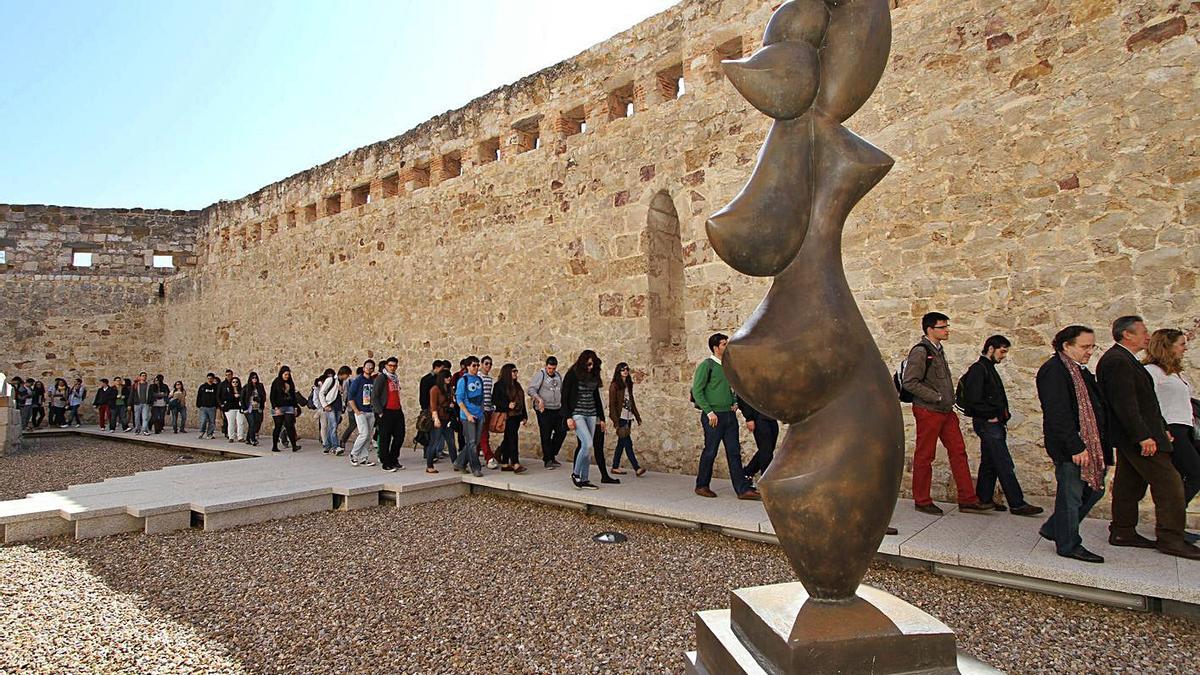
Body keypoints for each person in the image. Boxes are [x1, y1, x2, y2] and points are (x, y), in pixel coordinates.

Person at [1097, 316, 1200, 559]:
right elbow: (1125, 404)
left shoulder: (1125, 360)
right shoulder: (1118, 361)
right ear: (1127, 335)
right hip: (1137, 436)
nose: (1147, 335)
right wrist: (1143, 435)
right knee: (1170, 483)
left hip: (1139, 434)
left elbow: (1148, 404)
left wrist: (1160, 427)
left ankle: (1123, 531)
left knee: (1129, 484)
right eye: (1142, 331)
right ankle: (1171, 538)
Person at [900, 313, 990, 514]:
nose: (946, 330)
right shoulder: (921, 351)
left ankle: (967, 498)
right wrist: (937, 397)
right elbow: (910, 382)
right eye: (942, 327)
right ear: (930, 329)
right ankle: (922, 499)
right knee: (925, 455)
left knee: (958, 451)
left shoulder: (939, 351)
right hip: (928, 410)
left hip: (946, 412)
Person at [1036, 325, 1111, 563]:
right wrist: (1076, 446)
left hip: (1090, 444)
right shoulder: (1054, 371)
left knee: (1094, 490)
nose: (1090, 351)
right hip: (1071, 446)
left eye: (1092, 346)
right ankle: (1068, 544)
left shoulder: (1079, 371)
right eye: (1085, 346)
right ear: (1066, 346)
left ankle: (1054, 528)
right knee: (1071, 495)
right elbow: (1058, 412)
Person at [959, 335, 1043, 517]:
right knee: (1004, 463)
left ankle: (984, 498)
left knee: (990, 462)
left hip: (994, 424)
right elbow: (973, 400)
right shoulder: (979, 369)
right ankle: (1017, 503)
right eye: (1002, 351)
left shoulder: (987, 368)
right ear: (991, 348)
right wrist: (990, 416)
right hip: (988, 424)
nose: (1004, 355)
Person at [692, 333, 761, 500]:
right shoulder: (707, 366)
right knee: (710, 451)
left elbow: (732, 387)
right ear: (716, 347)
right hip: (713, 417)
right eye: (724, 344)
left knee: (734, 452)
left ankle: (742, 489)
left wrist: (735, 401)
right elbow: (697, 391)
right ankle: (702, 486)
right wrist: (709, 412)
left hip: (729, 416)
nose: (727, 346)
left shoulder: (728, 366)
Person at [1144, 329, 1199, 511]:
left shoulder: (1176, 373)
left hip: (1186, 427)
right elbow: (1147, 402)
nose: (1185, 348)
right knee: (1195, 473)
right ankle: (1171, 520)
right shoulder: (1152, 371)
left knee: (1185, 475)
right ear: (1167, 346)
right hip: (1171, 428)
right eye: (1181, 344)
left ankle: (1173, 521)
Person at [562, 350, 606, 490]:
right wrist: (568, 417)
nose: (591, 367)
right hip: (578, 413)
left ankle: (585, 479)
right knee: (587, 444)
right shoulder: (572, 374)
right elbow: (564, 397)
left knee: (587, 447)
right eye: (588, 364)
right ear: (582, 362)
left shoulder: (593, 375)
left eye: (593, 364)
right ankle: (576, 474)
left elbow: (596, 398)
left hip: (592, 414)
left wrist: (602, 418)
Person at [528, 356, 567, 469]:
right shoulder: (541, 375)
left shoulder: (558, 376)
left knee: (561, 431)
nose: (551, 371)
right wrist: (539, 399)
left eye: (553, 368)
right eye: (549, 368)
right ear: (546, 366)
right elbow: (531, 389)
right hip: (544, 409)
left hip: (557, 409)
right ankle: (548, 459)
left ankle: (552, 454)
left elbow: (562, 390)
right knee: (546, 434)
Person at [609, 362, 645, 477]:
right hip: (621, 418)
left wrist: (637, 416)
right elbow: (612, 405)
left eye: (627, 369)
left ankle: (615, 466)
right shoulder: (614, 386)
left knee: (621, 443)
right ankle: (637, 467)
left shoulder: (628, 384)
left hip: (628, 417)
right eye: (622, 369)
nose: (625, 371)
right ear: (618, 371)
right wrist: (616, 421)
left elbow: (631, 402)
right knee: (628, 443)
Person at [491, 363, 528, 474]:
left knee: (508, 438)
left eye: (516, 371)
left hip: (516, 415)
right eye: (513, 371)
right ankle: (515, 463)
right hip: (507, 415)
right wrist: (507, 405)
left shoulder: (517, 385)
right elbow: (495, 400)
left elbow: (521, 400)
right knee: (513, 438)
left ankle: (505, 461)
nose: (516, 373)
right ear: (508, 372)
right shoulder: (499, 385)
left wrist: (524, 415)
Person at [371, 356, 406, 472]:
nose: (392, 368)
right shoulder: (382, 378)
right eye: (390, 365)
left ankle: (394, 459)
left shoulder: (395, 378)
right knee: (385, 438)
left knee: (400, 436)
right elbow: (374, 396)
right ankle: (386, 462)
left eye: (395, 366)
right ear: (386, 366)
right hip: (386, 411)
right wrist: (380, 412)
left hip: (397, 410)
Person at [454, 356, 485, 477]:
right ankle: (475, 468)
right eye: (474, 365)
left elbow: (481, 397)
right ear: (468, 367)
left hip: (479, 414)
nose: (476, 368)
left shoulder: (479, 379)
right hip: (467, 416)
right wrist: (468, 415)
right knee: (471, 443)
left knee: (474, 442)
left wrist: (482, 412)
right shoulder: (463, 381)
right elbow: (459, 399)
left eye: (477, 365)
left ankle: (459, 462)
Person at [738, 395, 776, 485]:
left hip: (771, 417)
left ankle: (748, 472)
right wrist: (749, 417)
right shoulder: (749, 381)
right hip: (759, 418)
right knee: (766, 450)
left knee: (768, 449)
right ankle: (766, 482)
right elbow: (743, 396)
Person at [426, 368, 458, 473]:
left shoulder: (449, 389)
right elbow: (433, 405)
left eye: (450, 376)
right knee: (434, 442)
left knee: (451, 442)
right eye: (447, 376)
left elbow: (452, 400)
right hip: (439, 418)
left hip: (447, 418)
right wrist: (436, 419)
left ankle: (456, 463)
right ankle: (429, 465)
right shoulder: (435, 389)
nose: (449, 378)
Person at [346, 360, 377, 466]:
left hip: (370, 411)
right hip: (361, 411)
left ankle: (364, 457)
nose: (369, 369)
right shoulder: (358, 380)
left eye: (371, 367)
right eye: (367, 367)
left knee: (368, 436)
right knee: (363, 434)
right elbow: (350, 397)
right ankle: (353, 455)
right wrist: (356, 411)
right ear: (363, 368)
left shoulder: (373, 381)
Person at [269, 366, 302, 452]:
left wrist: (295, 407)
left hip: (289, 406)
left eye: (288, 374)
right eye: (285, 374)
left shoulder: (290, 383)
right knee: (278, 426)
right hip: (279, 407)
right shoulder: (276, 382)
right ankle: (275, 446)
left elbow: (293, 396)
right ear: (281, 374)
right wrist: (275, 408)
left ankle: (294, 446)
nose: (287, 376)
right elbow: (272, 396)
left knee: (289, 425)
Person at [479, 355, 498, 470]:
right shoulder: (478, 378)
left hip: (489, 410)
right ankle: (489, 457)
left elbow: (490, 396)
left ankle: (472, 457)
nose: (488, 366)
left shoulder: (490, 380)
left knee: (482, 435)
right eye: (486, 363)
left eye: (490, 364)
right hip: (480, 411)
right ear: (481, 364)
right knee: (483, 434)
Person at [340, 366, 364, 451]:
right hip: (352, 407)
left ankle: (359, 444)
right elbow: (346, 395)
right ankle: (343, 440)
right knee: (353, 425)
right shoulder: (349, 381)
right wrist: (344, 405)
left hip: (356, 406)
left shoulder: (352, 381)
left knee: (357, 426)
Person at [316, 368, 340, 454]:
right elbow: (321, 393)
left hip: (338, 406)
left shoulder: (341, 382)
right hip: (330, 406)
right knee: (331, 427)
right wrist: (325, 405)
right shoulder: (330, 380)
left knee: (332, 427)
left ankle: (327, 445)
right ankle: (335, 446)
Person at [241, 372, 267, 446]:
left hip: (258, 407)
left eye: (255, 377)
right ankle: (253, 439)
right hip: (249, 408)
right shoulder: (246, 387)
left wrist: (259, 400)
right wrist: (243, 408)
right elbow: (242, 398)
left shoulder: (260, 386)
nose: (254, 379)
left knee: (257, 423)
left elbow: (263, 396)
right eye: (253, 378)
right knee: (251, 423)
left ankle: (248, 438)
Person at [195, 373, 220, 439]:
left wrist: (217, 405)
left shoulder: (216, 387)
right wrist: (198, 404)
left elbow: (218, 396)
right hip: (203, 407)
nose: (209, 380)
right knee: (203, 420)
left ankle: (210, 434)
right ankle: (201, 432)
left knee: (212, 421)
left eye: (211, 378)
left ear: (213, 379)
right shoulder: (202, 387)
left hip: (212, 407)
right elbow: (199, 396)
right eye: (208, 378)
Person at [223, 376, 246, 442]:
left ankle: (240, 437)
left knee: (240, 423)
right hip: (230, 409)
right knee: (231, 423)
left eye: (236, 382)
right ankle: (231, 437)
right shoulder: (228, 390)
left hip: (239, 408)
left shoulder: (241, 390)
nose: (235, 383)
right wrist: (233, 396)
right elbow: (225, 397)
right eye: (233, 382)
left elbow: (244, 398)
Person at [217, 369, 235, 438]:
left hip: (233, 404)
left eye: (229, 375)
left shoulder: (234, 382)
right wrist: (221, 404)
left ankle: (231, 432)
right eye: (227, 375)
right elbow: (218, 395)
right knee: (226, 419)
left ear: (232, 375)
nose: (228, 376)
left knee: (233, 420)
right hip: (225, 404)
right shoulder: (222, 384)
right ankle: (226, 432)